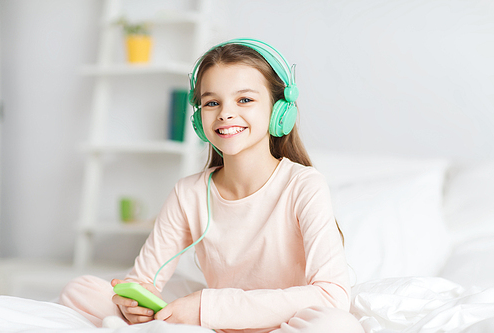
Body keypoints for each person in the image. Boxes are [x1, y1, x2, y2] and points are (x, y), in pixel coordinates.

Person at [59, 38, 364, 333]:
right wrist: (134, 304)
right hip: (213, 324)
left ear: (279, 110)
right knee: (81, 290)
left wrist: (207, 307)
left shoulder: (303, 185)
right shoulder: (188, 193)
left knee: (338, 326)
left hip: (282, 324)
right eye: (212, 102)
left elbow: (332, 295)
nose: (225, 113)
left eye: (244, 99)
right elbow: (143, 280)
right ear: (198, 119)